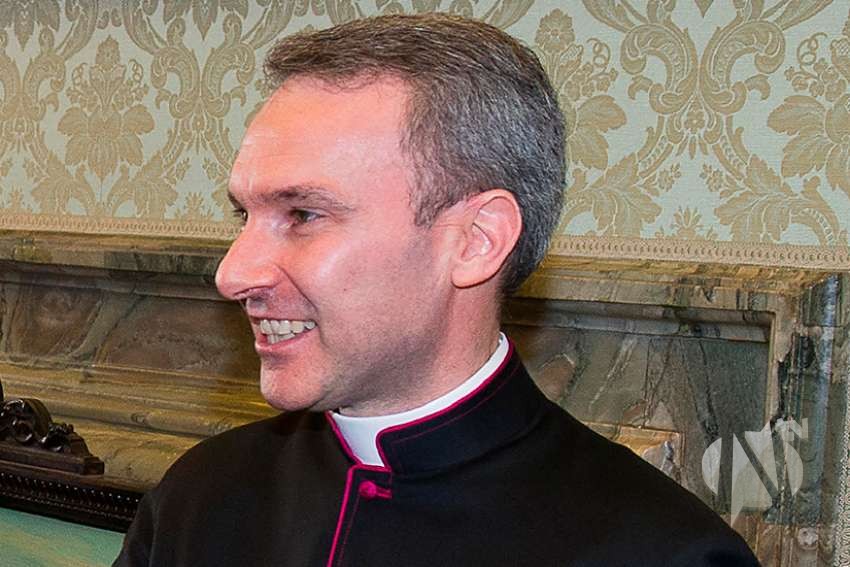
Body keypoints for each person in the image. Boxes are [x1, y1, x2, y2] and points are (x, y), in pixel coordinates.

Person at [115, 14, 760, 567]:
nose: (232, 274)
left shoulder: (664, 553)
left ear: (476, 240)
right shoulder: (199, 497)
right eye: (244, 216)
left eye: (304, 215)